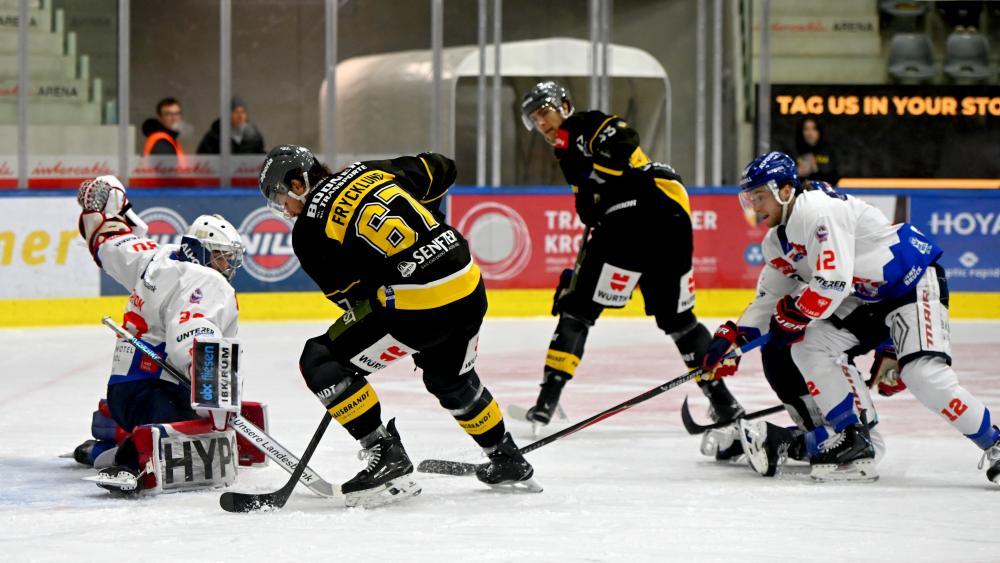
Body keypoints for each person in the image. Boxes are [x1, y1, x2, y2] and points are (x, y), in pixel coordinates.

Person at [257, 145, 538, 508]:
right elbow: (443, 168)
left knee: (320, 359)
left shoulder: (308, 229)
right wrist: (427, 239)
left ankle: (384, 453)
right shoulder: (370, 168)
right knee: (448, 377)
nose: (286, 209)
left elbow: (352, 301)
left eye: (282, 198)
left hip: (418, 304)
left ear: (299, 182)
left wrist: (395, 278)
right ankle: (505, 456)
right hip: (468, 283)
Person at [702, 151, 1000, 483]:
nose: (754, 207)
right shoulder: (778, 240)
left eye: (759, 195)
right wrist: (735, 338)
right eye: (749, 197)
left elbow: (832, 281)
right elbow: (770, 296)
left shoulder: (817, 209)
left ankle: (996, 442)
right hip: (864, 297)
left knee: (922, 376)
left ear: (785, 190)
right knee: (809, 346)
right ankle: (853, 438)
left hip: (909, 283)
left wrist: (795, 315)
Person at [518, 81, 744, 441]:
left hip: (641, 209)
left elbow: (624, 139)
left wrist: (600, 188)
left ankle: (545, 403)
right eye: (535, 119)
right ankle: (725, 403)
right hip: (671, 219)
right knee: (680, 322)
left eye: (544, 113)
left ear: (564, 105)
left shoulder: (581, 125)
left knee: (577, 310)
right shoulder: (566, 151)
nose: (542, 124)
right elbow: (591, 201)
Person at [73, 175, 246, 493]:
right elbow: (193, 336)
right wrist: (216, 402)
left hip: (124, 390)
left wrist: (111, 205)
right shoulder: (206, 280)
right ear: (200, 251)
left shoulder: (154, 257)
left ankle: (110, 426)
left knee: (180, 420)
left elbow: (106, 241)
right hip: (157, 393)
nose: (226, 265)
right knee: (199, 436)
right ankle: (125, 459)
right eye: (220, 255)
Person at [196, 96, 266, 155]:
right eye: (236, 112)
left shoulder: (254, 137)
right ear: (228, 114)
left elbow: (260, 158)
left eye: (243, 112)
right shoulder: (215, 135)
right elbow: (203, 159)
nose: (240, 116)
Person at [793, 117, 839, 186]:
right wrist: (795, 173)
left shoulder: (829, 150)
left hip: (825, 193)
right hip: (801, 193)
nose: (810, 133)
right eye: (806, 129)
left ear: (819, 131)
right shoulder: (794, 151)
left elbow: (836, 177)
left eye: (814, 129)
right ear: (801, 132)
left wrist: (816, 169)